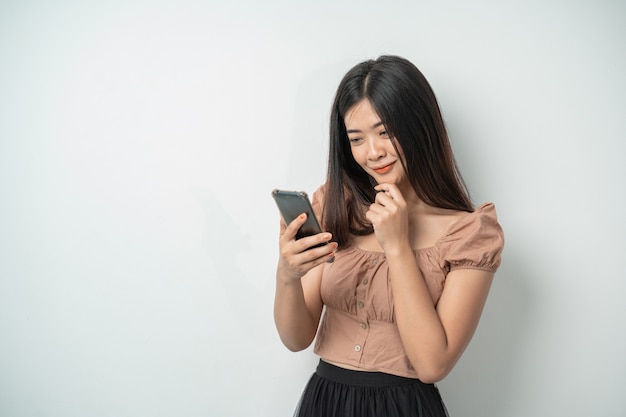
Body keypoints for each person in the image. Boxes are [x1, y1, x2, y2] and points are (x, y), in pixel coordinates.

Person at [274, 55, 504, 417]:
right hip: (326, 402)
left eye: (385, 132)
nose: (373, 152)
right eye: (357, 139)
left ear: (419, 127)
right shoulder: (334, 205)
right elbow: (296, 338)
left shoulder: (470, 234)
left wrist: (397, 247)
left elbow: (432, 365)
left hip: (403, 407)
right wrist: (287, 275)